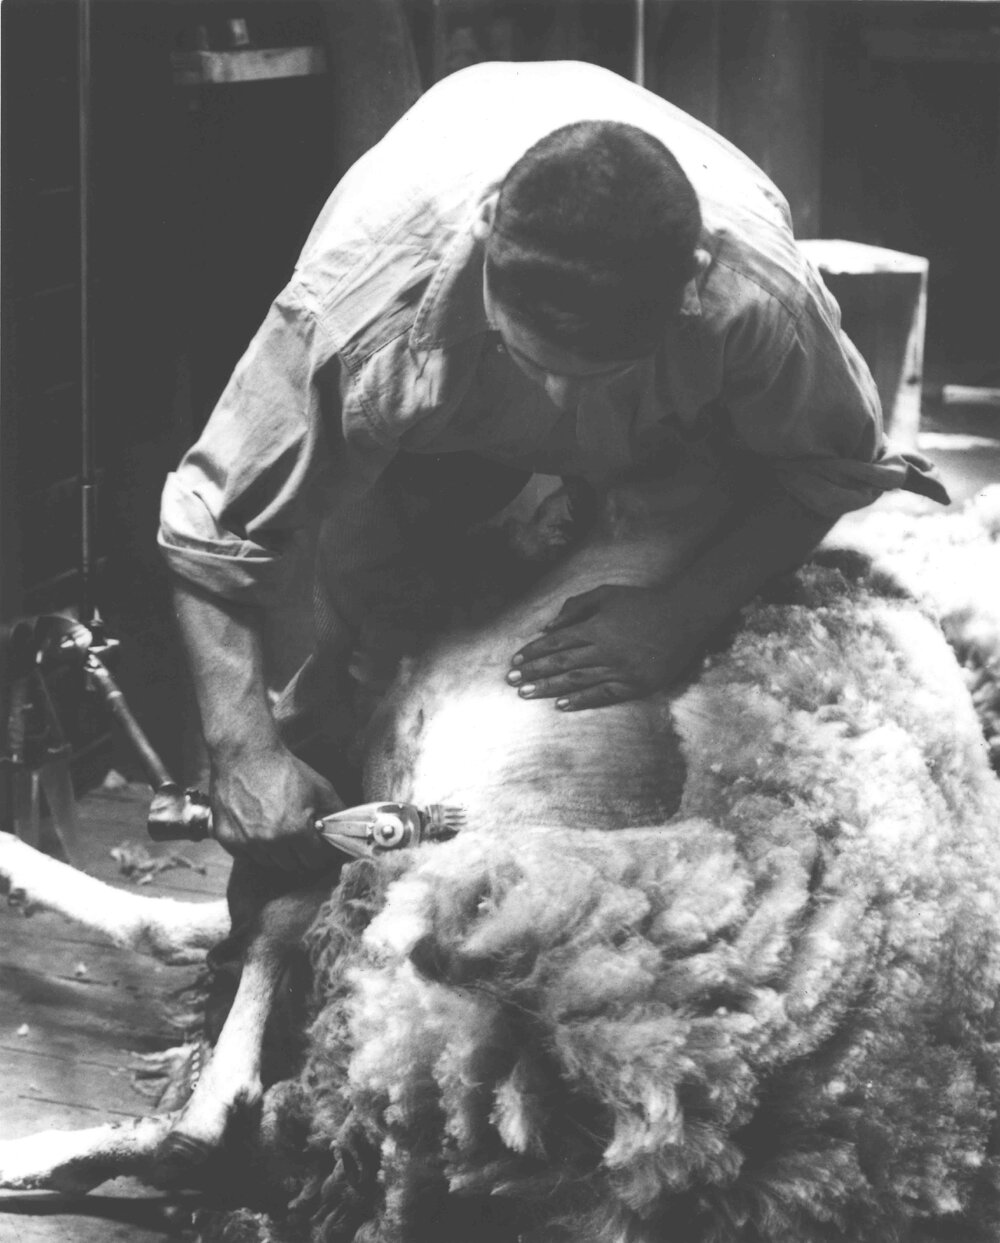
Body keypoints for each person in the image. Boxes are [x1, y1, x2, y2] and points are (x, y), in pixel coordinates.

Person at [159, 60, 947, 879]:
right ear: (488, 234)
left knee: (703, 659)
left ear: (692, 281)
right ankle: (279, 922)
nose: (563, 399)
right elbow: (213, 521)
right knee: (351, 666)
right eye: (538, 359)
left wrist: (684, 609)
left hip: (670, 431)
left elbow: (829, 467)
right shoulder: (361, 309)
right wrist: (242, 748)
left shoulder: (756, 300)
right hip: (443, 413)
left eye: (598, 368)